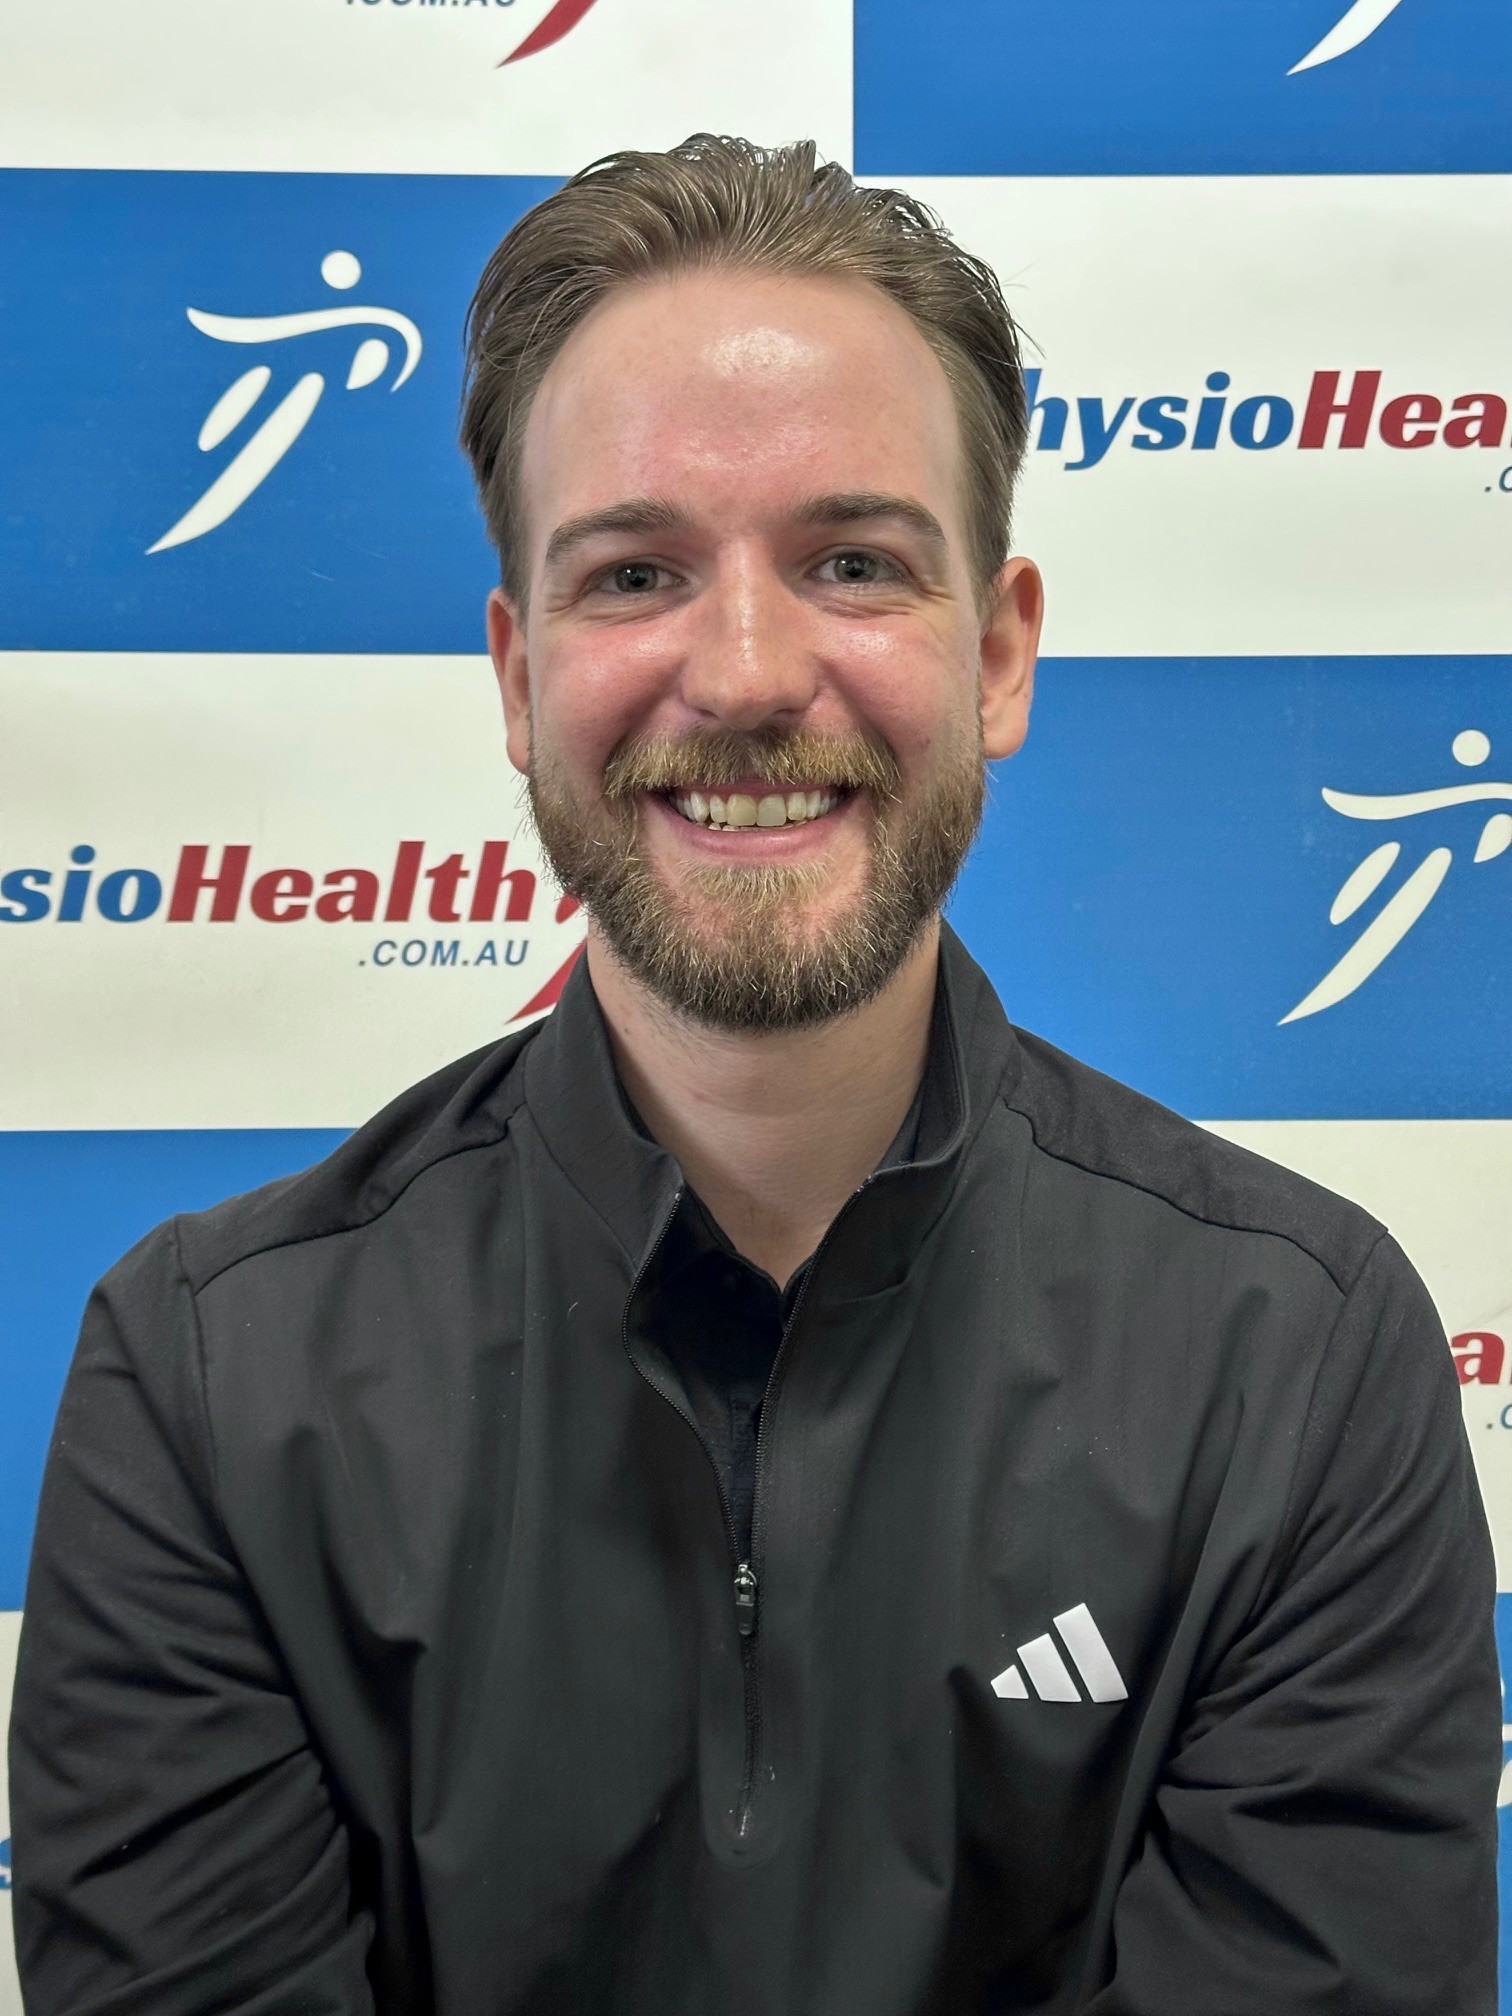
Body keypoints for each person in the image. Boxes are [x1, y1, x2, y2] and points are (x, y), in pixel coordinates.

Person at [9, 136, 1500, 2015]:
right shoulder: (213, 1383)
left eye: (853, 563)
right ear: (516, 676)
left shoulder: (1295, 1358)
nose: (742, 673)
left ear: (1000, 654)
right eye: (635, 571)